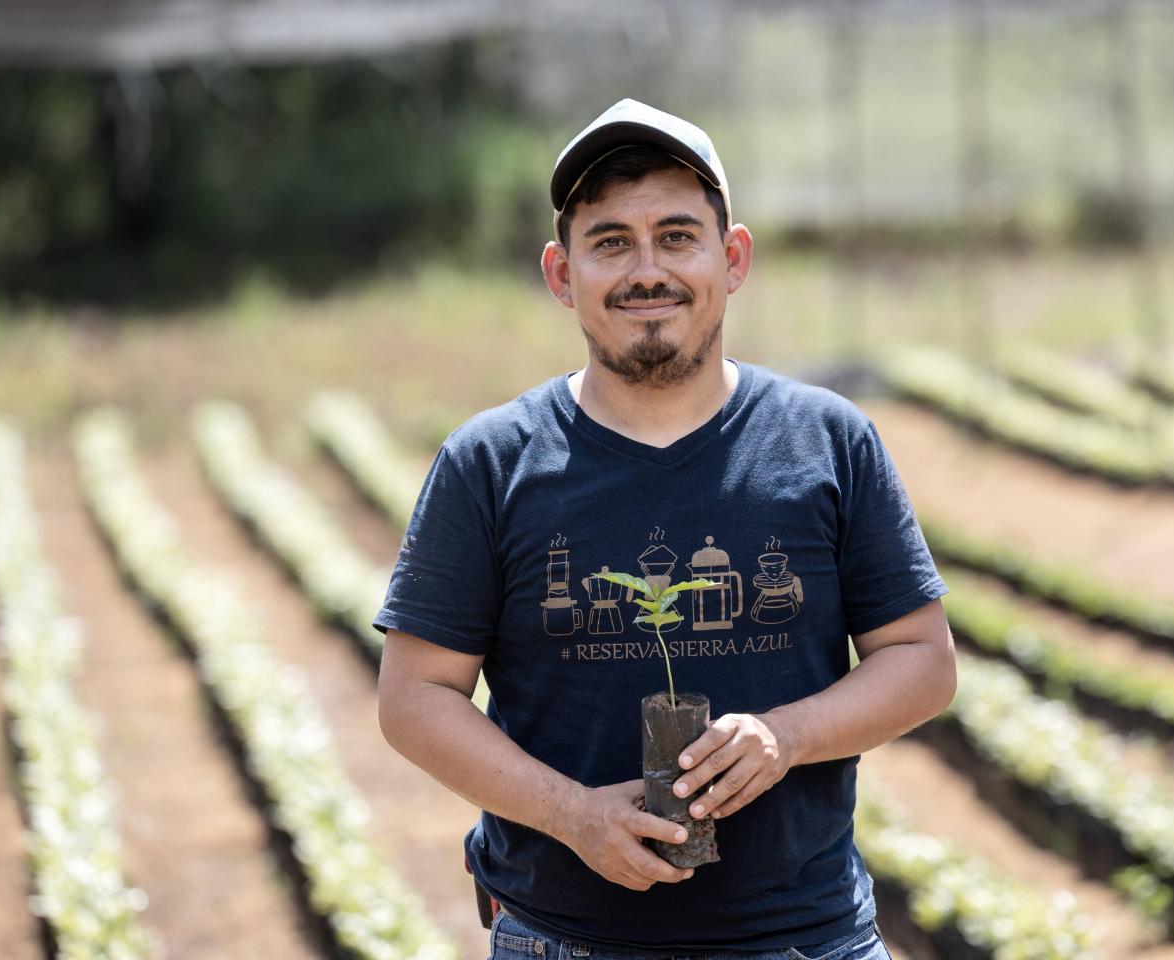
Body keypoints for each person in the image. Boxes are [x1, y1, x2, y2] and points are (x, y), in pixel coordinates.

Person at [375, 98, 956, 959]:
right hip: (564, 940)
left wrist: (785, 736)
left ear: (732, 258)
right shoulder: (491, 462)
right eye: (611, 241)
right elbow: (414, 698)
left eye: (677, 235)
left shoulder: (826, 442)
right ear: (561, 273)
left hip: (806, 939)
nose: (647, 269)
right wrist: (573, 816)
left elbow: (922, 661)